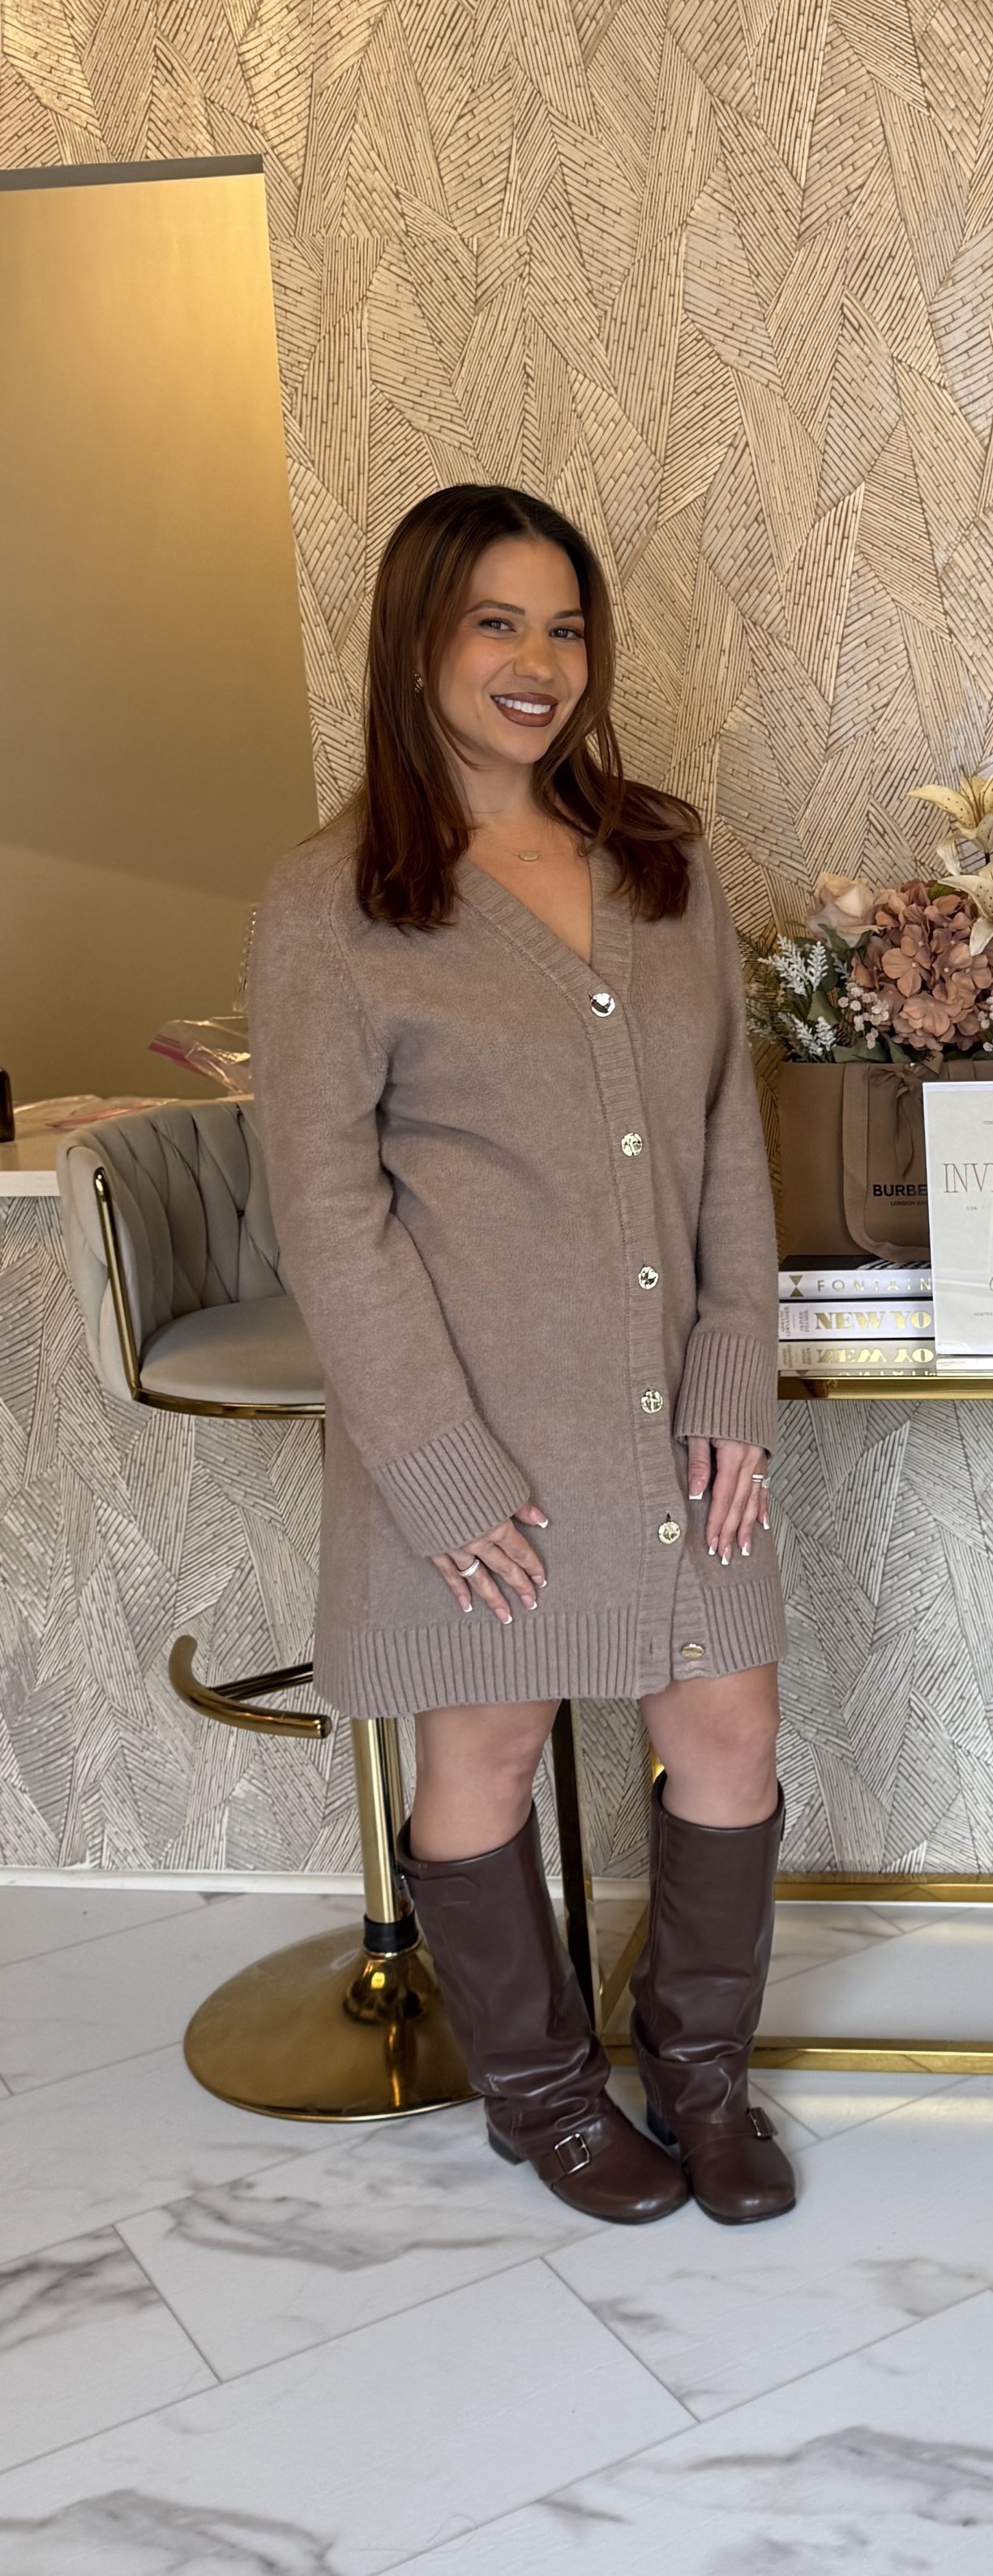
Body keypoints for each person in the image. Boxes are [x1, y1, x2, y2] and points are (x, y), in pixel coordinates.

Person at [250, 485, 795, 2230]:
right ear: (418, 639)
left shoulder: (666, 864)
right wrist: (437, 1468)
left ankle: (699, 2073)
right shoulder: (330, 903)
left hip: (669, 1409)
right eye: (496, 621)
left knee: (730, 1724)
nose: (536, 662)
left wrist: (732, 1374)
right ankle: (542, 2096)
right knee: (477, 1752)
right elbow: (327, 1215)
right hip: (477, 1424)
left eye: (563, 627)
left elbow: (726, 1146)